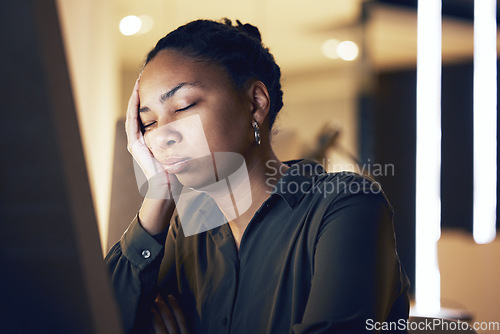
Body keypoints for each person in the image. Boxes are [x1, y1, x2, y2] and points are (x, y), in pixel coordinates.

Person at [105, 18, 410, 334]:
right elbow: (100, 321)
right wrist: (158, 194)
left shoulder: (347, 205)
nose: (163, 134)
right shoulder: (190, 225)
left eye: (183, 106)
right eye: (148, 123)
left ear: (255, 104)